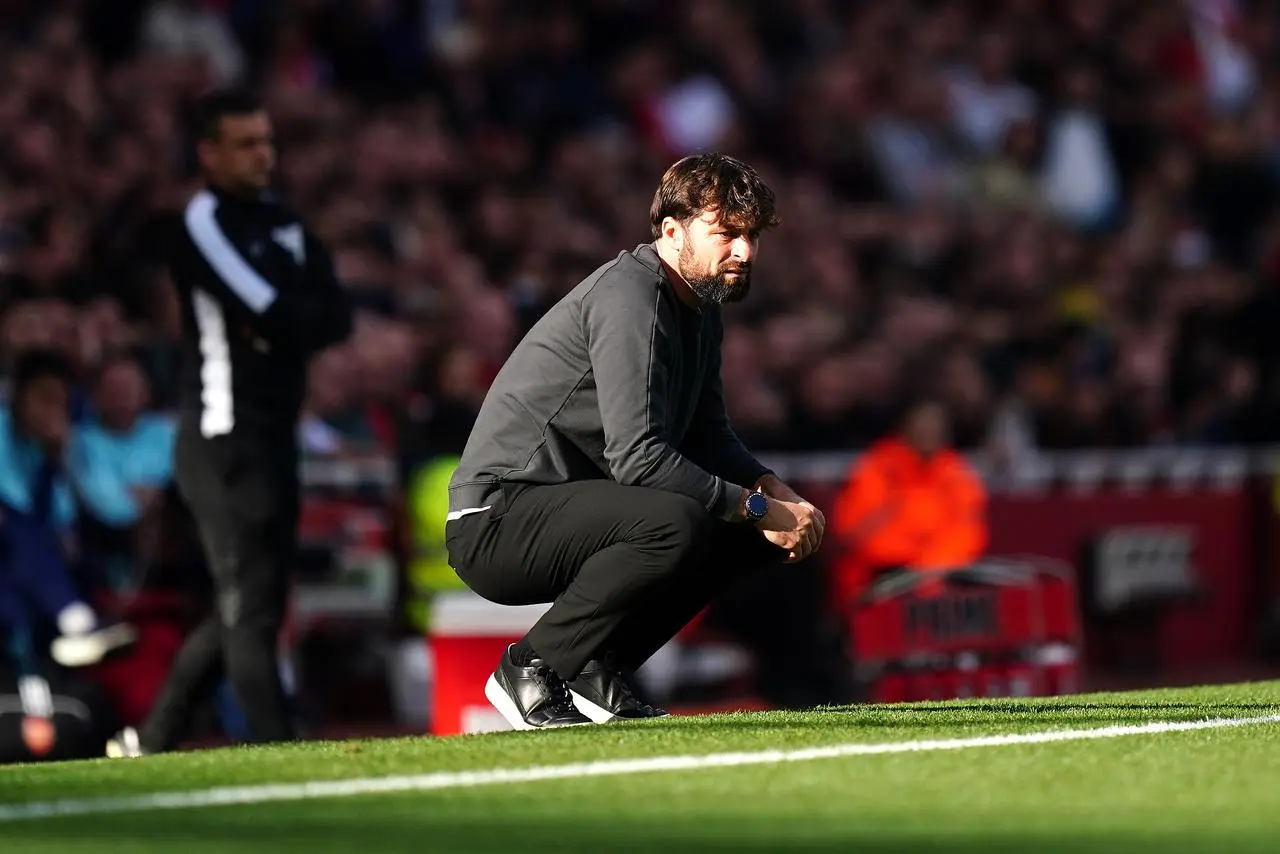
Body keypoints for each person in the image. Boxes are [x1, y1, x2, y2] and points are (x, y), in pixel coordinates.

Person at [445, 153, 826, 730]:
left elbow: (709, 437)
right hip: (497, 519)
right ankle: (531, 666)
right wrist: (754, 506)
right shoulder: (633, 296)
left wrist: (776, 494)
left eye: (751, 236)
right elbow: (638, 457)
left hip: (569, 510)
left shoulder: (698, 307)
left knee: (749, 535)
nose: (744, 252)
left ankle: (596, 666)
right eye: (726, 233)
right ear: (672, 231)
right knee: (678, 521)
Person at [107, 89, 353, 757]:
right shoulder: (202, 223)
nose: (262, 156)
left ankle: (151, 739)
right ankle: (279, 747)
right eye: (246, 144)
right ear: (208, 153)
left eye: (267, 142)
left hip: (274, 436)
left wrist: (284, 324)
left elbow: (333, 316)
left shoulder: (283, 221)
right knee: (252, 600)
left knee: (252, 598)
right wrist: (286, 321)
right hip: (222, 437)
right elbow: (280, 312)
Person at [0, 349, 135, 672]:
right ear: (18, 397)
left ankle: (73, 625)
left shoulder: (69, 443)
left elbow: (117, 511)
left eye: (60, 403)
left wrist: (63, 458)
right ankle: (74, 618)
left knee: (60, 551)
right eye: (44, 399)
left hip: (27, 568)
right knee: (19, 531)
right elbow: (15, 509)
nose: (52, 412)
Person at [829, 396, 989, 605]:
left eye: (935, 424)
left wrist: (927, 569)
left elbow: (967, 532)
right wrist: (911, 566)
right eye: (922, 422)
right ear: (905, 426)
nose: (929, 430)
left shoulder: (957, 473)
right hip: (881, 575)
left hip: (938, 576)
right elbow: (854, 530)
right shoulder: (876, 468)